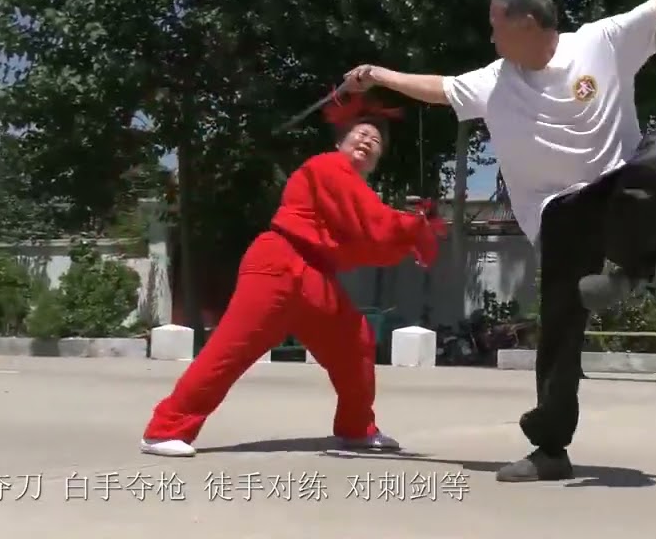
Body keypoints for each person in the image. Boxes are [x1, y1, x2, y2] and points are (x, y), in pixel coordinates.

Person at [342, 0, 656, 482]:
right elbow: (438, 90)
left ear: (526, 22)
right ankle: (550, 449)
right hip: (556, 217)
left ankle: (630, 272)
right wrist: (376, 73)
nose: (491, 36)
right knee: (561, 329)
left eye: (496, 25)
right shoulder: (493, 81)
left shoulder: (601, 42)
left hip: (616, 192)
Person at [140, 92, 446, 458]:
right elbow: (373, 225)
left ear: (378, 159)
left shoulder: (355, 189)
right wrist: (413, 230)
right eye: (359, 134)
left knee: (356, 344)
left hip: (317, 276)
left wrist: (411, 233)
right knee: (230, 350)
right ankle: (164, 430)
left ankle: (356, 427)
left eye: (376, 140)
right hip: (277, 264)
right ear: (339, 142)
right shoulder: (326, 167)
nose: (367, 140)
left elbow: (366, 238)